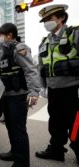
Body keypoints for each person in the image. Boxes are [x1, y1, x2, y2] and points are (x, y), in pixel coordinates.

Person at [0, 23, 40, 167]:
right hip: (5, 95)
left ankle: (22, 162)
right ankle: (14, 152)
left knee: (18, 129)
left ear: (9, 35)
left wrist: (34, 92)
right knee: (10, 127)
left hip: (18, 95)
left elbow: (30, 70)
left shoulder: (19, 48)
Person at [35, 4, 79, 165]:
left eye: (49, 18)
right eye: (44, 20)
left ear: (61, 18)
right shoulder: (44, 41)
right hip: (53, 90)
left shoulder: (75, 34)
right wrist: (43, 86)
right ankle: (56, 150)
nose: (46, 22)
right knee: (55, 121)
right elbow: (41, 67)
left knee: (75, 123)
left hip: (72, 88)